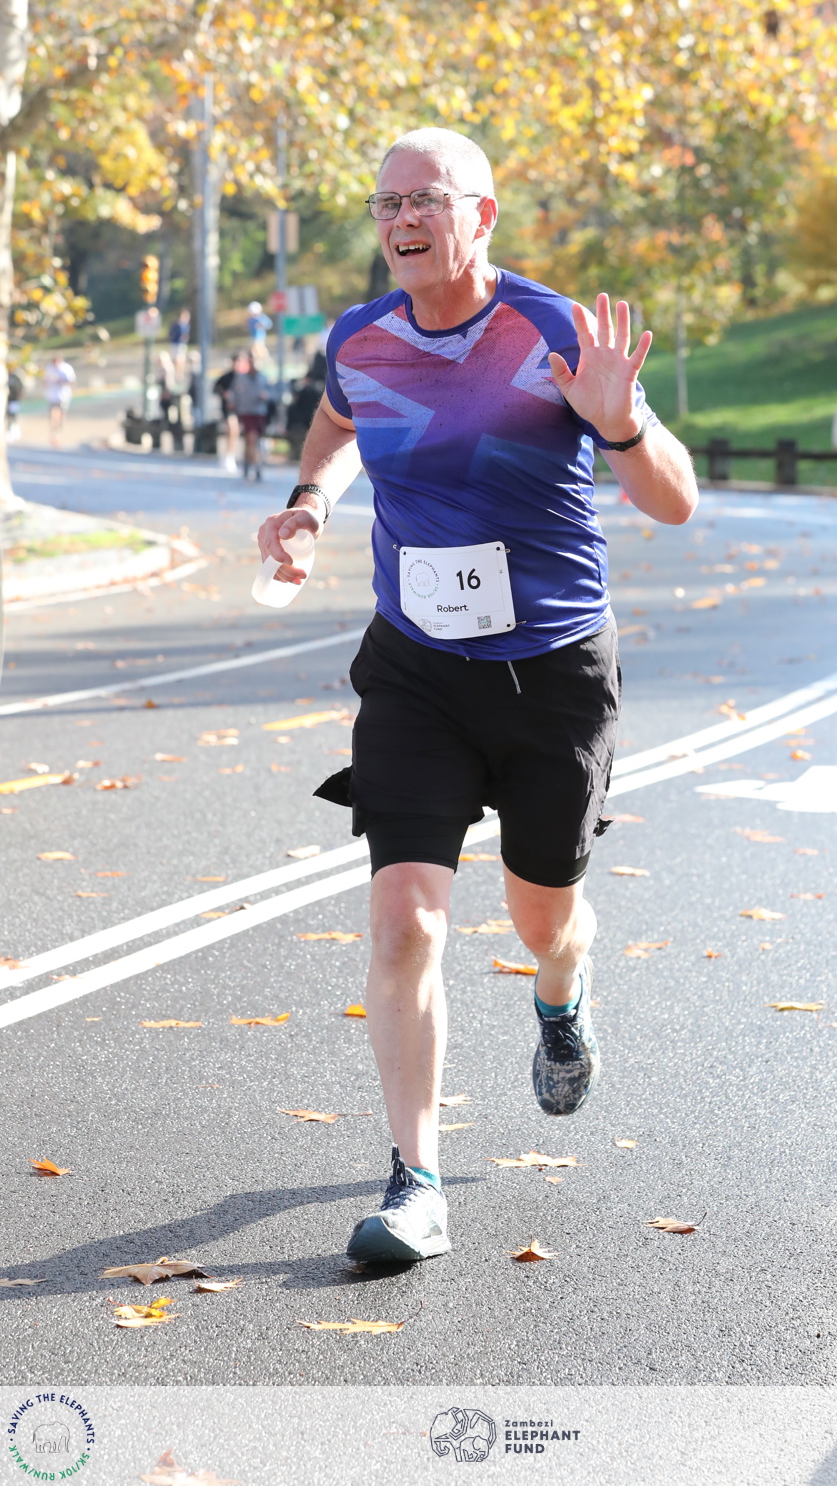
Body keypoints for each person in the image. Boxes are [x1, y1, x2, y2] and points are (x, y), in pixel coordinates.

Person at [255, 127, 698, 1265]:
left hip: (552, 674)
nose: (403, 219)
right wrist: (309, 501)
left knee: (544, 918)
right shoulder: (361, 338)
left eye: (427, 200)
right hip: (416, 669)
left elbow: (675, 501)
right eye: (386, 203)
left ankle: (562, 990)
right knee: (406, 917)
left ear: (482, 214)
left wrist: (621, 423)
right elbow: (340, 418)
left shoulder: (553, 331)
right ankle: (417, 1181)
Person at [226, 351, 270, 481]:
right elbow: (233, 392)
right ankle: (256, 465)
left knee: (254, 440)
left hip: (259, 412)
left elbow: (272, 393)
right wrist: (232, 401)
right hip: (246, 411)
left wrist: (266, 396)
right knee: (251, 437)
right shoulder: (240, 378)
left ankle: (249, 464)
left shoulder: (263, 377)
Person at [213, 354, 242, 474]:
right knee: (232, 429)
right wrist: (224, 394)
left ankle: (230, 454)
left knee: (234, 432)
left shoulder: (242, 377)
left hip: (240, 408)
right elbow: (215, 389)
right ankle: (229, 456)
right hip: (228, 408)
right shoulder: (225, 377)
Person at [44, 354, 75, 447]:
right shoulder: (49, 368)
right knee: (53, 414)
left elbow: (72, 381)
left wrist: (61, 381)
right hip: (52, 396)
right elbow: (45, 381)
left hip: (63, 396)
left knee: (61, 415)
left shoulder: (66, 368)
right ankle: (54, 434)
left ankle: (58, 431)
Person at [168, 309, 191, 380]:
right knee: (175, 359)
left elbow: (185, 334)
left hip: (181, 344)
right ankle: (175, 374)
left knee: (181, 359)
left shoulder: (186, 325)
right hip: (175, 343)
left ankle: (180, 374)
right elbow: (171, 333)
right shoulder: (176, 325)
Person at [6, 368, 23, 442]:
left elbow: (21, 389)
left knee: (13, 416)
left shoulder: (16, 378)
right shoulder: (7, 377)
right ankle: (10, 430)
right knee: (9, 416)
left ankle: (13, 430)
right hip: (8, 400)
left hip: (14, 400)